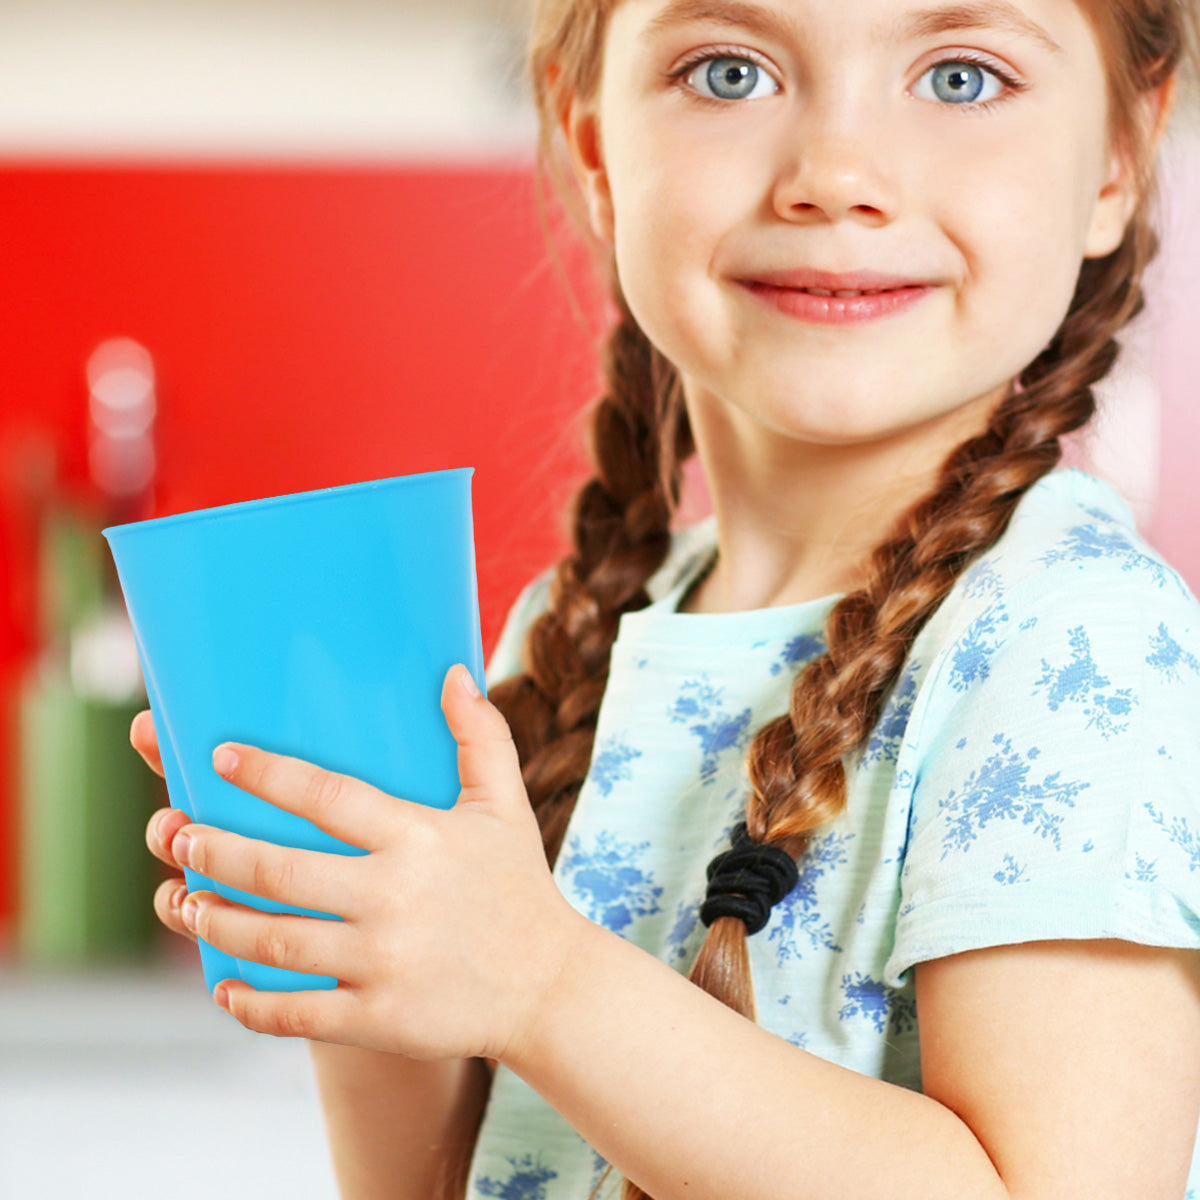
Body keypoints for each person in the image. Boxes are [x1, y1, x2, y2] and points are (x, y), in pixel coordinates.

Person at [134, 1, 1200, 1197]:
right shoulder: (575, 630)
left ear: (1120, 151)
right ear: (591, 147)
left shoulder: (1073, 640)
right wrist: (359, 942)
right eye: (729, 70)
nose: (836, 174)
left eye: (960, 77)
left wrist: (541, 984)